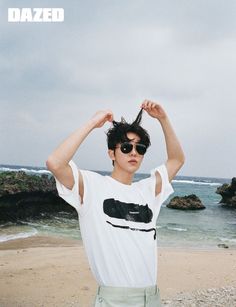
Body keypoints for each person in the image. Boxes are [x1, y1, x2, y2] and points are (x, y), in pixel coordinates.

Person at [46, 100, 185, 307]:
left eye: (141, 148)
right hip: (114, 300)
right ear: (112, 153)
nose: (134, 152)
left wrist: (164, 119)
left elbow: (176, 160)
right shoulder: (92, 187)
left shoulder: (147, 191)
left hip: (151, 297)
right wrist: (93, 123)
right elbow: (55, 163)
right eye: (127, 147)